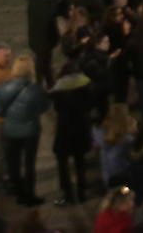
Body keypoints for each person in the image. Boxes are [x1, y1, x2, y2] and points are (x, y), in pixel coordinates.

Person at [0, 55, 50, 206]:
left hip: (10, 131)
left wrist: (10, 116)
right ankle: (30, 196)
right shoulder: (36, 90)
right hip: (30, 132)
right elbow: (44, 107)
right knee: (29, 164)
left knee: (13, 163)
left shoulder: (3, 88)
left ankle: (18, 193)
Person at [48, 59, 93, 205]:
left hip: (65, 130)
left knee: (63, 164)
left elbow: (57, 108)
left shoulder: (59, 89)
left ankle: (67, 194)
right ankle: (82, 192)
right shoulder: (86, 84)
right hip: (82, 128)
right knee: (80, 162)